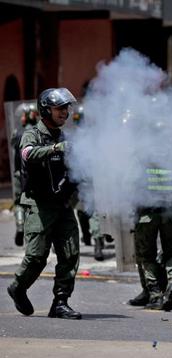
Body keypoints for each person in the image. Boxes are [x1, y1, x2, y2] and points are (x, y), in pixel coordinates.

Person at [7, 88, 82, 319]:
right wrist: (55, 149)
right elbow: (27, 154)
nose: (64, 112)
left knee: (70, 254)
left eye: (66, 108)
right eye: (60, 108)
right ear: (45, 110)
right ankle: (18, 287)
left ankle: (60, 302)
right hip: (39, 204)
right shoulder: (32, 135)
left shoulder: (66, 137)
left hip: (63, 204)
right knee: (37, 256)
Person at [134, 162, 172, 311]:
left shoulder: (142, 159)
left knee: (147, 256)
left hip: (147, 215)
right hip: (171, 214)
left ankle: (155, 295)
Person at [10, 103, 39, 247]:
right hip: (35, 175)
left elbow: (13, 146)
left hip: (18, 174)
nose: (21, 118)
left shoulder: (18, 132)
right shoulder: (38, 131)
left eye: (23, 115)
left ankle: (20, 225)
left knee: (18, 202)